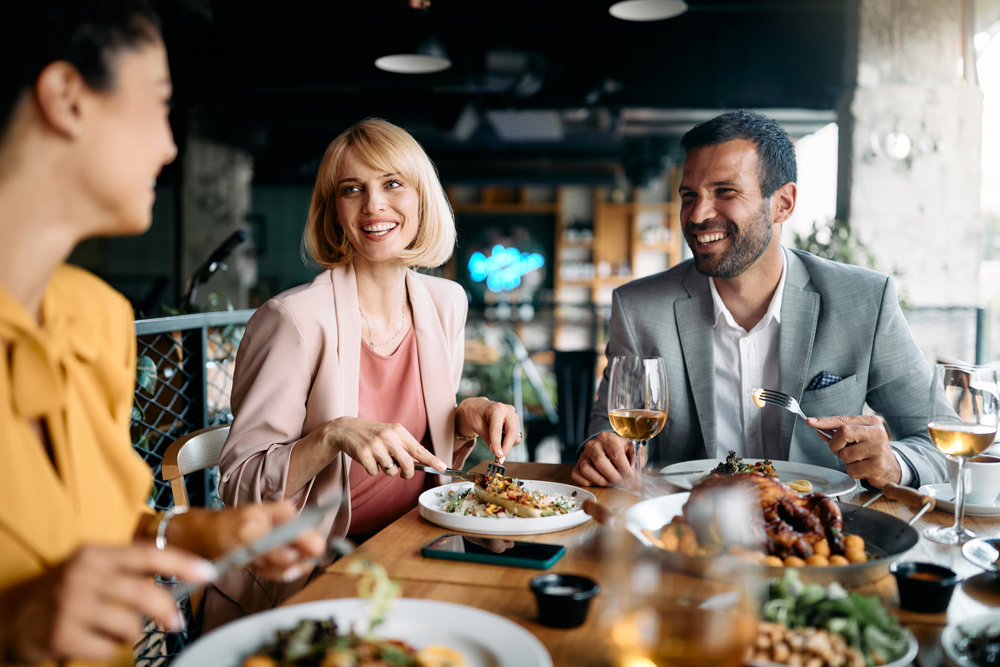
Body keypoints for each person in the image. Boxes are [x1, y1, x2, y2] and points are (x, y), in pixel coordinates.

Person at [0, 3, 325, 664]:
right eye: (159, 103)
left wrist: (192, 530)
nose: (170, 145)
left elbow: (100, 530)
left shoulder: (97, 317)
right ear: (67, 98)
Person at [205, 118, 522, 628]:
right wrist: (333, 436)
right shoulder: (293, 320)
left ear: (422, 198)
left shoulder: (445, 302)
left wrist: (469, 416)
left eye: (392, 184)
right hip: (309, 575)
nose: (374, 205)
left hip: (414, 544)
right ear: (335, 212)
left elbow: (419, 444)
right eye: (353, 189)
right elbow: (240, 484)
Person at [572, 110, 947, 491]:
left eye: (725, 192)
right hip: (687, 527)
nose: (698, 214)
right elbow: (607, 429)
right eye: (689, 195)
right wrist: (604, 451)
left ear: (783, 203)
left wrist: (894, 464)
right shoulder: (639, 308)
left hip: (819, 529)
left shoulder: (864, 301)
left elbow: (940, 442)